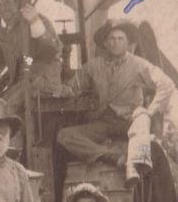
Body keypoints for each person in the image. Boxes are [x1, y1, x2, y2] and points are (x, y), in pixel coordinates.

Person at [58, 19, 159, 179]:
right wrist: (63, 89)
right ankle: (111, 157)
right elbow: (73, 86)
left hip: (130, 123)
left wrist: (149, 113)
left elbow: (161, 87)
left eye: (120, 39)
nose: (116, 43)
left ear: (127, 43)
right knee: (64, 135)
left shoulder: (139, 65)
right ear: (105, 43)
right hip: (103, 122)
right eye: (111, 39)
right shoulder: (92, 66)